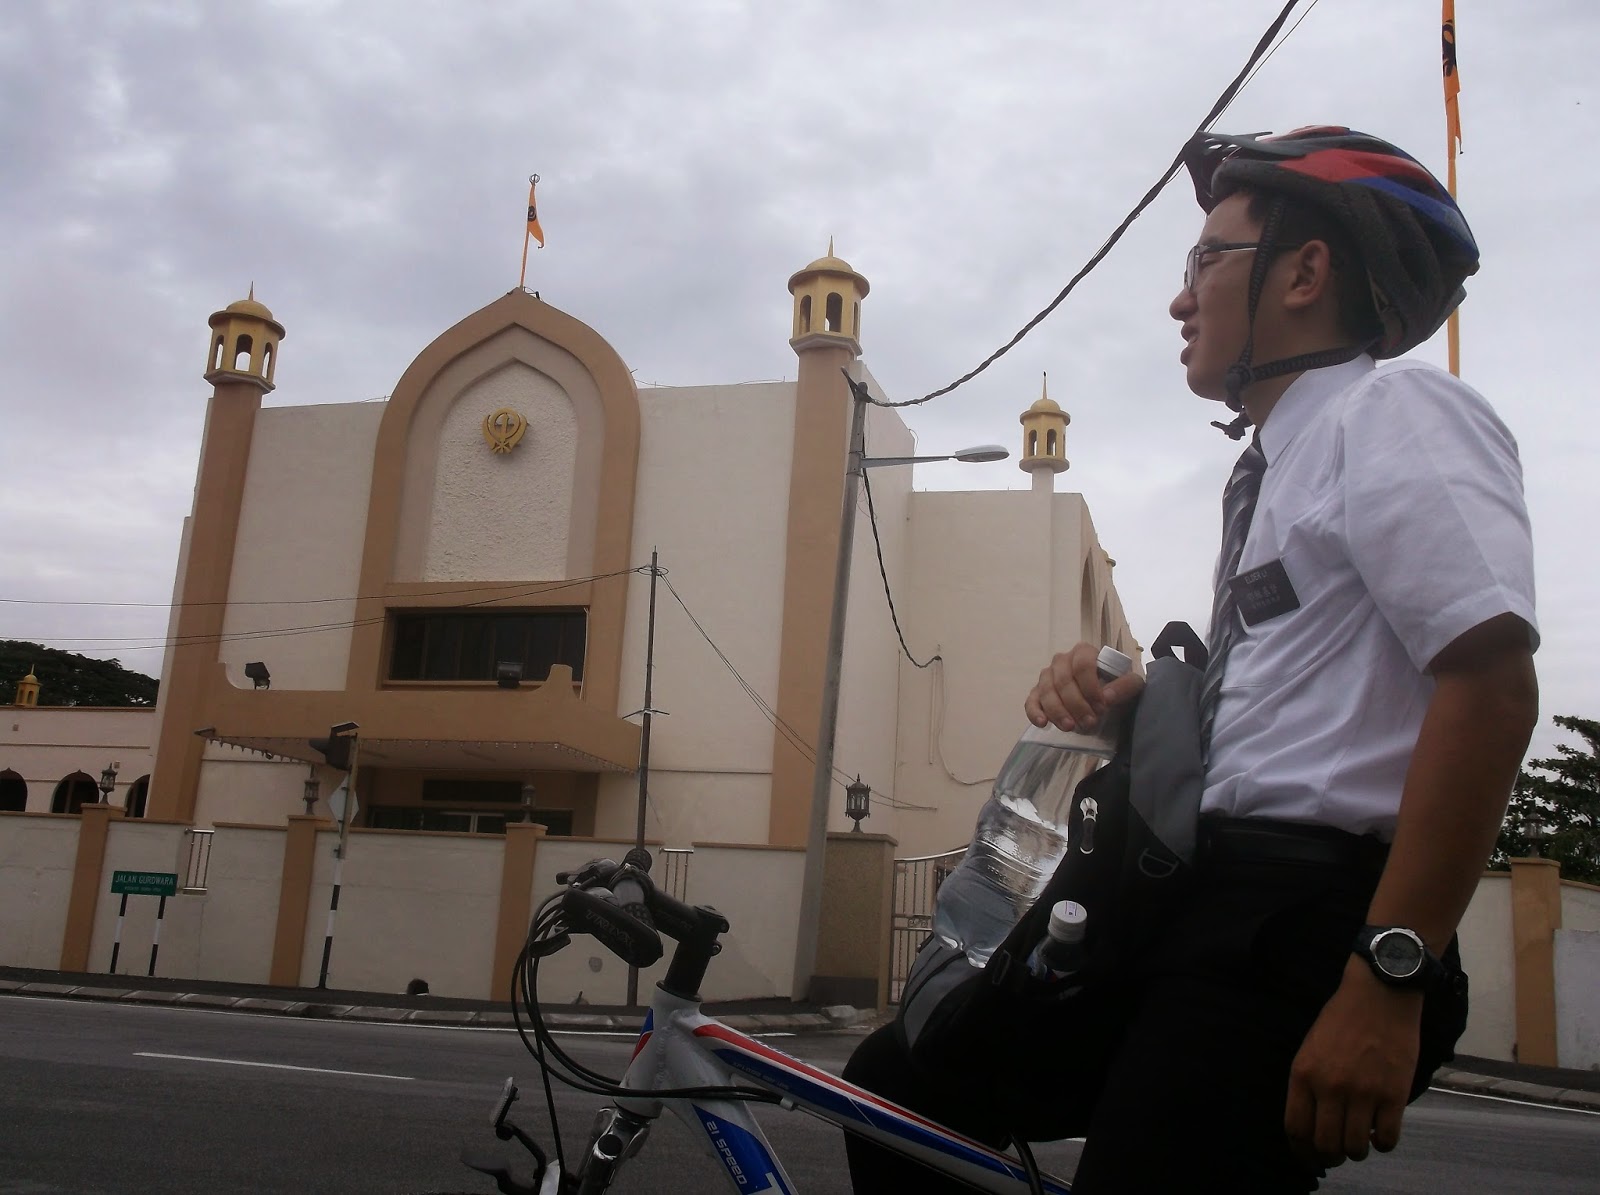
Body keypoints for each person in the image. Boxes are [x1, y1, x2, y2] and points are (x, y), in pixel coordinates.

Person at [842, 126, 1538, 1192]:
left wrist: (1386, 973)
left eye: (1206, 259)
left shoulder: (1392, 410)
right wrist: (1141, 702)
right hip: (1207, 900)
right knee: (897, 1084)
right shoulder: (1272, 467)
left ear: (1304, 273)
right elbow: (1296, 708)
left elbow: (1489, 685)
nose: (1179, 300)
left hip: (1303, 921)